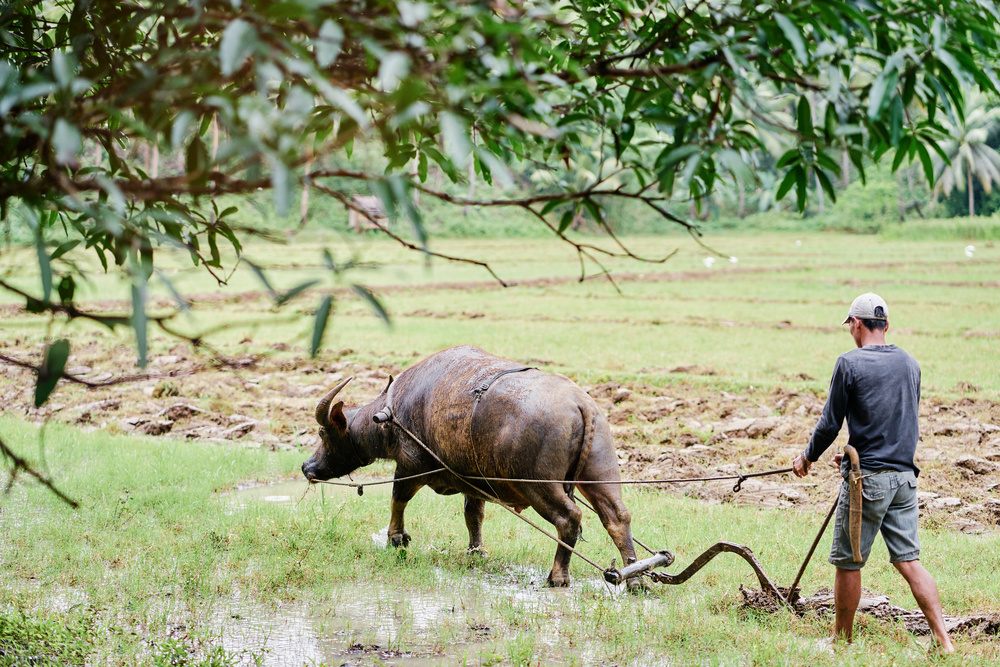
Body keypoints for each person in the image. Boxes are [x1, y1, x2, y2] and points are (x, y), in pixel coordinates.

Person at [791, 292, 954, 653]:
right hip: (905, 480)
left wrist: (807, 457)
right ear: (887, 325)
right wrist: (853, 454)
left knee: (848, 562)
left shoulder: (849, 363)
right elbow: (898, 420)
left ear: (857, 324)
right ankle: (944, 641)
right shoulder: (910, 364)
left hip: (869, 482)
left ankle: (841, 641)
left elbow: (830, 423)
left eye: (850, 324)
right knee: (909, 561)